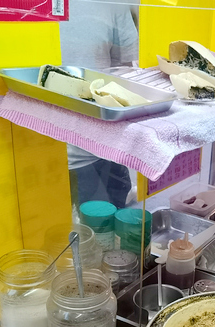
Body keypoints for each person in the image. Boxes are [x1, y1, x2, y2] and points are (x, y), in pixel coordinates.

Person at [60, 0, 138, 210]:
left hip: (107, 146)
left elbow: (128, 69)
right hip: (50, 152)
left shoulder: (113, 4)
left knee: (113, 226)